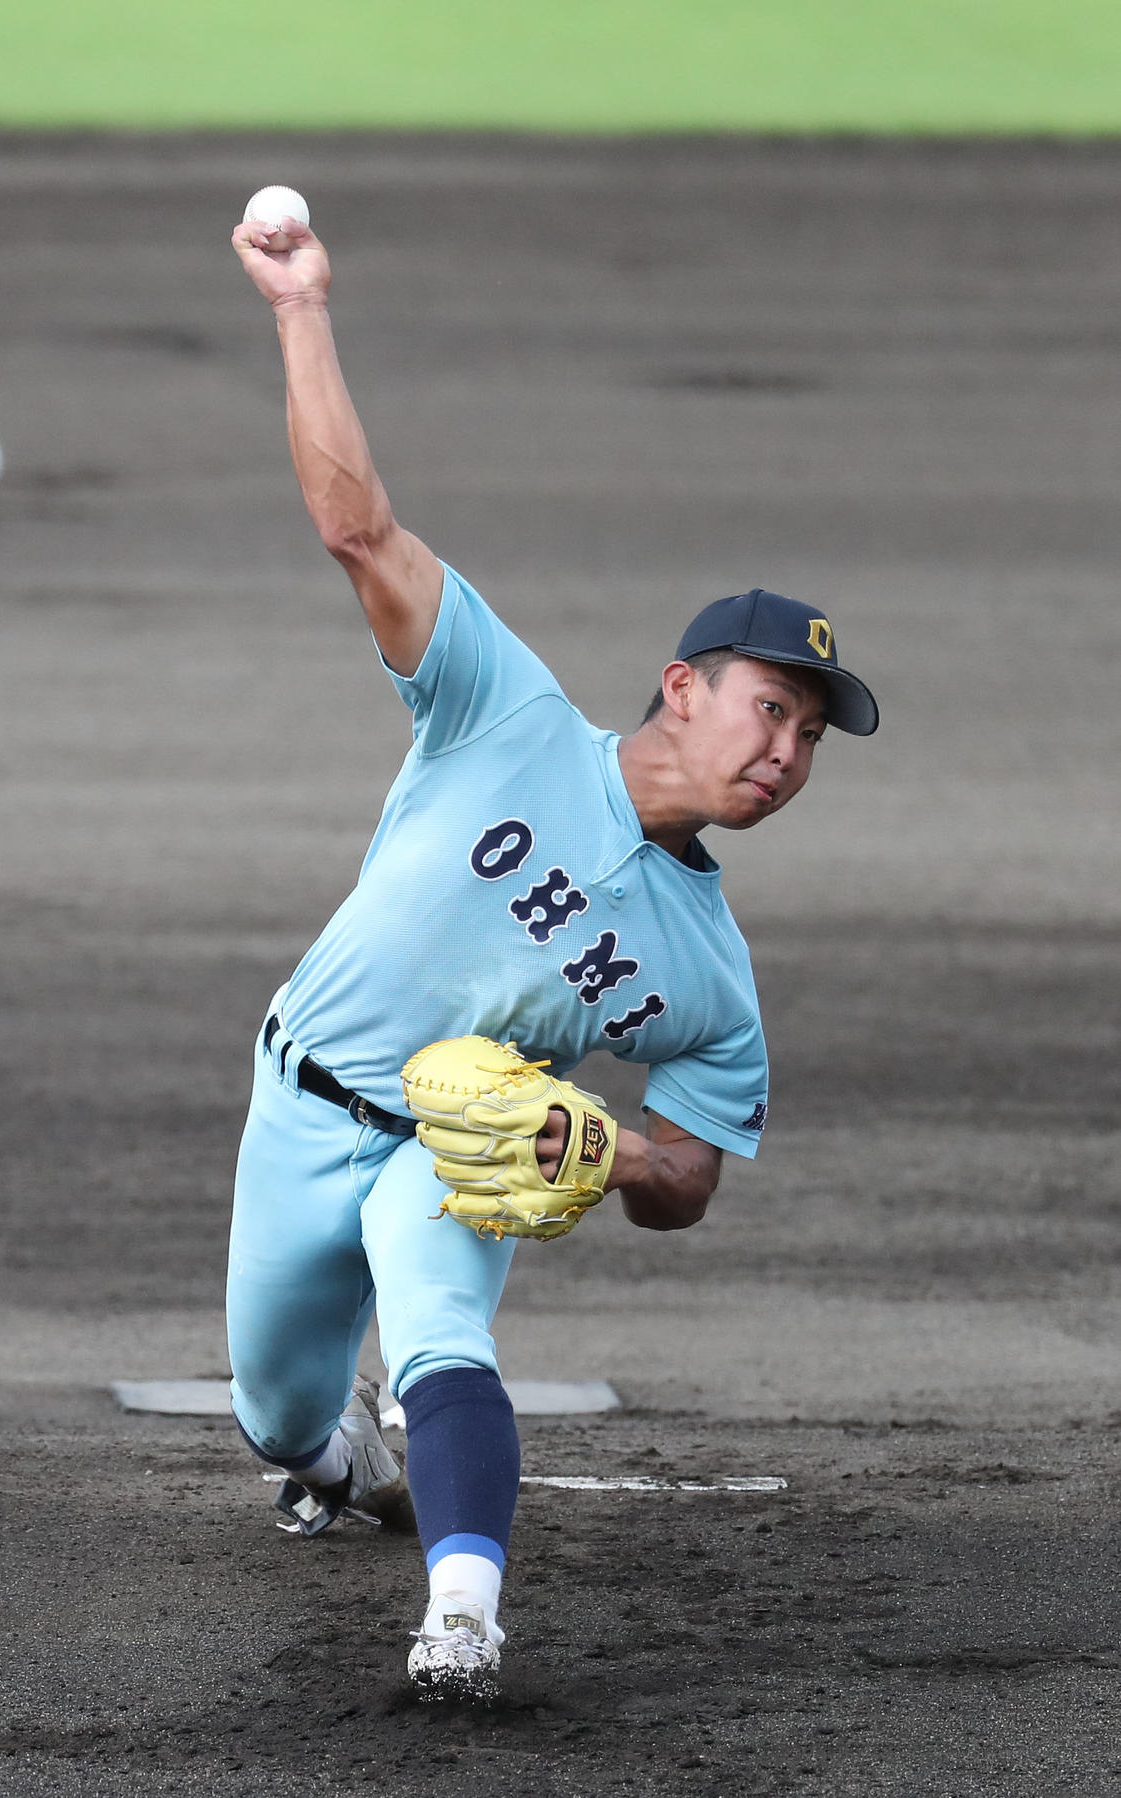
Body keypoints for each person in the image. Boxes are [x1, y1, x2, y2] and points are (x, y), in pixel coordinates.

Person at [227, 208, 879, 1701]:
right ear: (680, 687)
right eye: (768, 709)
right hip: (299, 1098)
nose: (785, 752)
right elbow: (358, 531)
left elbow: (688, 1176)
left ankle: (462, 1615)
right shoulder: (499, 711)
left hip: (451, 1154)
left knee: (446, 1319)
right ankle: (338, 1452)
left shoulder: (712, 979)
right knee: (275, 1409)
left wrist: (606, 1151)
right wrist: (301, 309)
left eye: (809, 736)